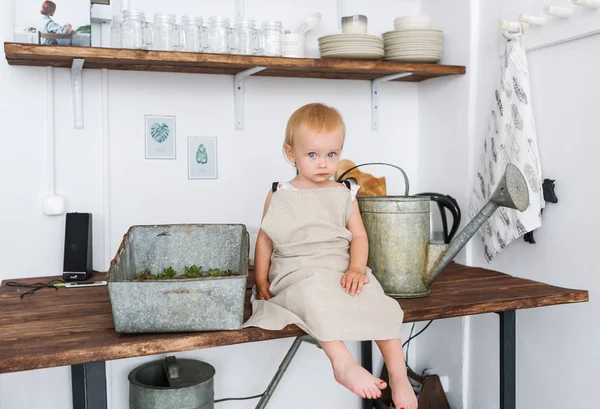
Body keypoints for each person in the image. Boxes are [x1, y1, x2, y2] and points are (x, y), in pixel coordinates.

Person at [243, 103, 418, 409]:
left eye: (331, 155)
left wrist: (356, 268)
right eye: (312, 155)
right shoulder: (280, 193)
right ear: (290, 153)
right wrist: (260, 278)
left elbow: (359, 236)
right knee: (314, 299)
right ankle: (342, 363)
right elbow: (265, 240)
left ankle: (398, 373)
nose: (323, 163)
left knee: (380, 303)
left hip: (338, 266)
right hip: (298, 270)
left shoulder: (344, 192)